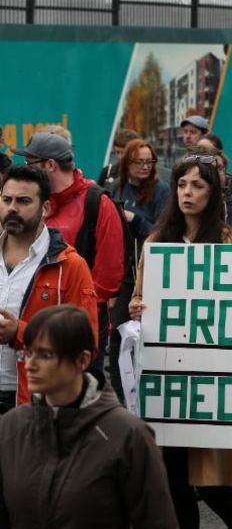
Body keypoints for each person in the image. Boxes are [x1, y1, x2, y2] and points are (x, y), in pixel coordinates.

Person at [128, 155, 232, 529]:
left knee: (210, 480)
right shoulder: (156, 241)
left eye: (197, 185)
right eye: (181, 183)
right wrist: (137, 307)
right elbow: (139, 296)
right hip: (168, 374)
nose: (187, 192)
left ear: (213, 192)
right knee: (176, 480)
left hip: (214, 374)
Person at [0, 305, 184, 529]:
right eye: (28, 352)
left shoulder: (127, 436)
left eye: (45, 355)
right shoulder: (10, 430)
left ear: (82, 360)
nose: (30, 364)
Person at [17, 132, 124, 384]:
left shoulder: (97, 202)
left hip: (78, 330)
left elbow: (109, 278)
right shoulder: (35, 202)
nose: (24, 170)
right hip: (30, 328)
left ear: (49, 165)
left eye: (29, 163)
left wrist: (70, 314)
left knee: (74, 411)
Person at [0, 165, 97, 409]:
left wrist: (20, 333)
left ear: (45, 208)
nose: (12, 208)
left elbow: (86, 344)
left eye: (23, 201)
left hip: (35, 400)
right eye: (6, 199)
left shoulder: (70, 266)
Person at [108, 138, 171, 242]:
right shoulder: (117, 186)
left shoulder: (162, 190)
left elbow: (163, 233)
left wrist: (135, 219)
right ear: (127, 163)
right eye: (139, 162)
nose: (146, 167)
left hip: (145, 252)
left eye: (149, 162)